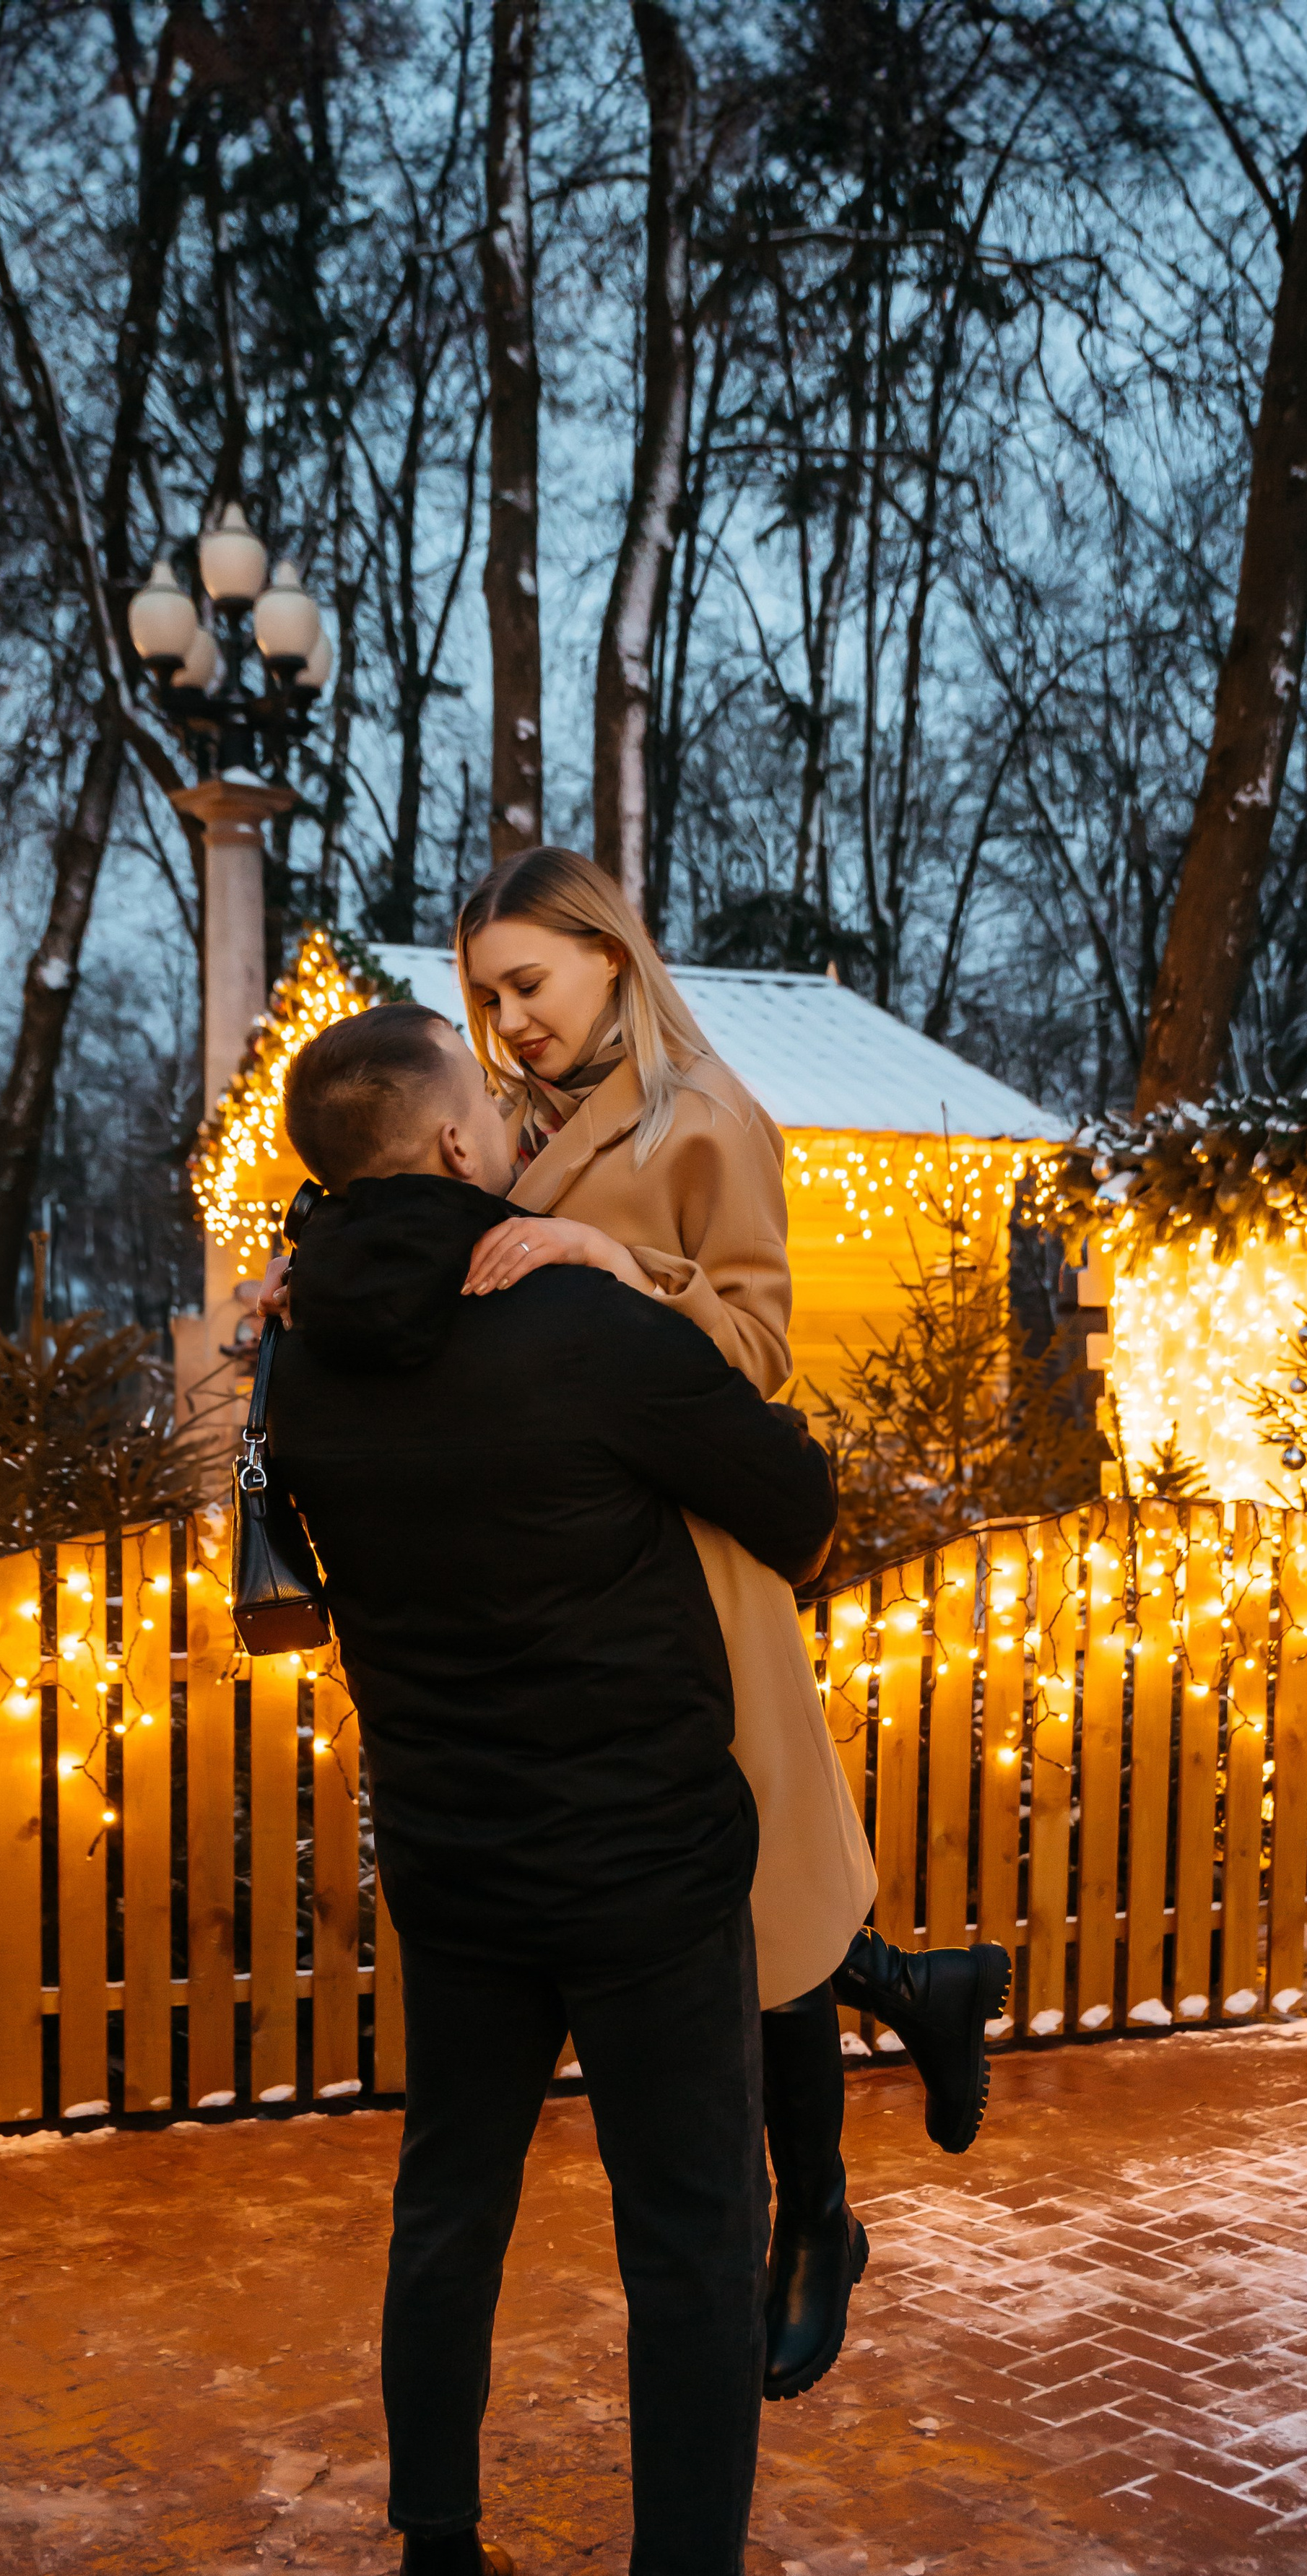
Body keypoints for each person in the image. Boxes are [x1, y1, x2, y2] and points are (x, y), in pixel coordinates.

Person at [272, 1002, 877, 2576]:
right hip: (635, 1859)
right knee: (687, 2235)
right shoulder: (569, 1320)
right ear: (460, 1147)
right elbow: (795, 1503)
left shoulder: (294, 1352)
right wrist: (627, 1288)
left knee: (447, 2205)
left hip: (452, 1861)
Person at [449, 847, 1011, 2398]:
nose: (510, 1018)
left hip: (699, 1564)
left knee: (751, 1897)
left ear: (610, 957)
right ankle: (910, 1993)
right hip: (586, 1574)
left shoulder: (706, 1121)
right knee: (706, 1900)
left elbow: (754, 1344)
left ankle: (813, 2220)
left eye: (529, 983)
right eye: (487, 996)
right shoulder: (524, 1135)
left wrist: (604, 1256)